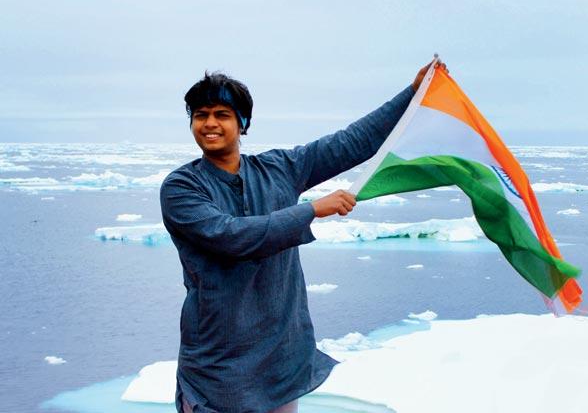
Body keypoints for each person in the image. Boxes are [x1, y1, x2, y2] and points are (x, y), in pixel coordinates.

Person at [160, 59, 446, 413]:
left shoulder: (279, 169)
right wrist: (311, 209)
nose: (210, 123)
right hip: (218, 368)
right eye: (201, 115)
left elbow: (352, 142)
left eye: (222, 114)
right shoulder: (181, 188)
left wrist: (413, 93)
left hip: (280, 361)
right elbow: (230, 237)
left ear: (243, 123)